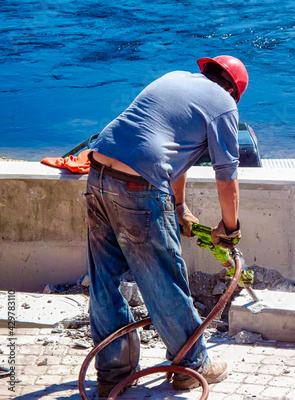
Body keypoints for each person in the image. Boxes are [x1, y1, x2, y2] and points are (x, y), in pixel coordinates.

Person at [84, 55, 248, 398]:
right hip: (137, 186)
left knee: (105, 279)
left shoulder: (176, 79)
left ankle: (113, 374)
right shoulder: (224, 105)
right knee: (164, 278)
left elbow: (175, 153)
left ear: (207, 71)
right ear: (234, 91)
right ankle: (191, 366)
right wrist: (230, 229)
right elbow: (226, 177)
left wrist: (178, 207)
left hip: (98, 173)